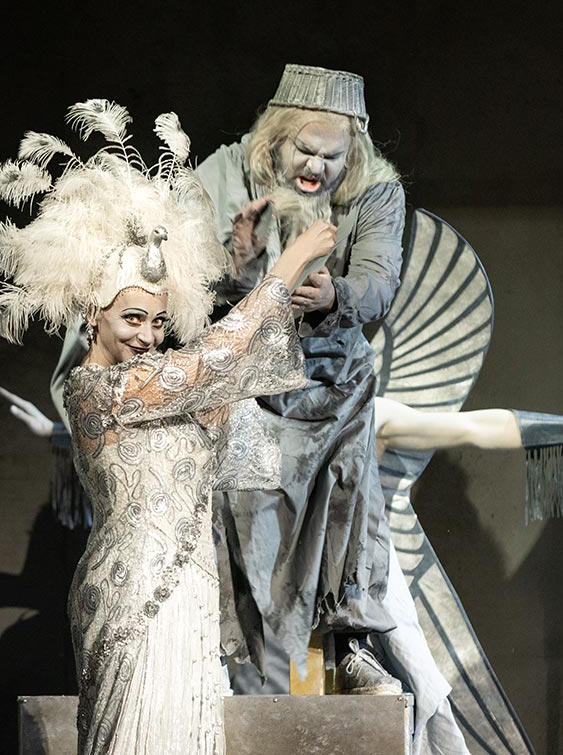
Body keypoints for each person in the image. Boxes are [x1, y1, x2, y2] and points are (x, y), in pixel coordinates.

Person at [0, 99, 335, 755]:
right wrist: (288, 268)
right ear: (94, 313)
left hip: (188, 592)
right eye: (132, 318)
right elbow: (215, 359)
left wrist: (252, 272)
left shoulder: (159, 385)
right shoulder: (95, 390)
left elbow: (227, 378)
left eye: (158, 321)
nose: (147, 335)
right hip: (135, 598)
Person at [196, 64, 407, 683]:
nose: (316, 167)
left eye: (332, 157)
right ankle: (238, 664)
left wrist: (336, 294)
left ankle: (352, 641)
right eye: (304, 150)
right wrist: (237, 265)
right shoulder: (226, 174)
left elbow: (379, 280)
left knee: (351, 491)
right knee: (242, 523)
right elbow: (183, 277)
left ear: (354, 153)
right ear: (275, 139)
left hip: (333, 382)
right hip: (248, 382)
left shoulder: (377, 190)